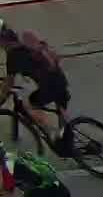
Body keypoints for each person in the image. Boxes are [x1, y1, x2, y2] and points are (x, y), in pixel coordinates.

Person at [0, 21, 68, 155]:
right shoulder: (26, 39)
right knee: (61, 107)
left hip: (50, 87)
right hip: (60, 78)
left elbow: (8, 84)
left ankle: (51, 131)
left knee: (29, 104)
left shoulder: (13, 56)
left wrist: (1, 100)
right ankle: (65, 135)